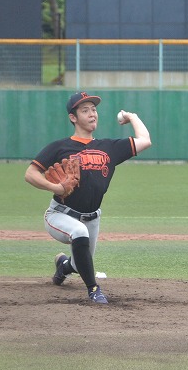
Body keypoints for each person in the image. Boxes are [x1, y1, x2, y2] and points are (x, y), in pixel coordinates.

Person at [24, 91, 152, 304]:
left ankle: (63, 267)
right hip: (60, 215)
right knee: (79, 233)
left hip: (92, 217)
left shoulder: (109, 148)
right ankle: (94, 289)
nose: (92, 114)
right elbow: (30, 174)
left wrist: (132, 117)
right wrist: (55, 187)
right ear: (73, 117)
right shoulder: (60, 147)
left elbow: (145, 141)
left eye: (94, 109)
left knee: (80, 263)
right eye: (85, 110)